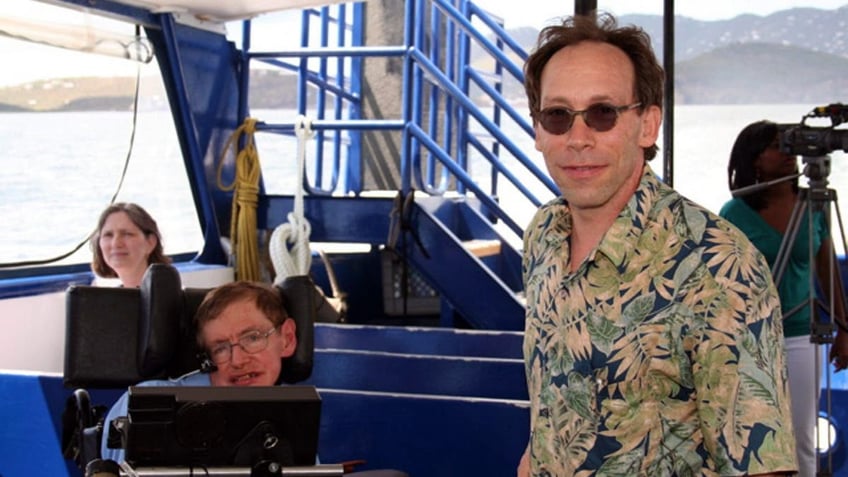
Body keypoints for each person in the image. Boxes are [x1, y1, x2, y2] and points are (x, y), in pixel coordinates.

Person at [518, 13, 797, 476]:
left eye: (603, 113)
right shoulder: (543, 236)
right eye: (558, 115)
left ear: (647, 126)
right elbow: (553, 409)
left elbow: (763, 467)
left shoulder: (717, 266)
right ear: (538, 130)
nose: (579, 138)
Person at [720, 119, 848, 477]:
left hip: (802, 333)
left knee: (802, 437)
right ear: (754, 159)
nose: (788, 154)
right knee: (755, 437)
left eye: (788, 145)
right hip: (752, 338)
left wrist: (844, 328)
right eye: (776, 146)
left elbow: (827, 271)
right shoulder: (735, 214)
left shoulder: (813, 205)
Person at [100, 280, 298, 462]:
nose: (238, 361)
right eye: (220, 348)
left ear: (287, 339)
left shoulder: (296, 416)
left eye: (253, 338)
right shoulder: (148, 403)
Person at [91, 202, 171, 288]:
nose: (116, 243)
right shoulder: (107, 298)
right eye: (108, 235)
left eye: (127, 234)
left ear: (150, 243)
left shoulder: (175, 298)